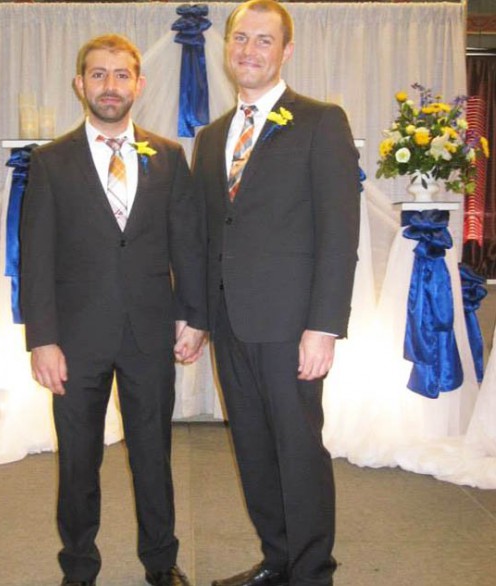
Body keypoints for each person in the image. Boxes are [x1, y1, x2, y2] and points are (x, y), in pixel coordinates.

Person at [20, 34, 207, 586]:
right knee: (78, 460)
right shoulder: (51, 161)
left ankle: (161, 562)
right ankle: (79, 565)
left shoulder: (168, 156)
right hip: (75, 339)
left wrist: (195, 316)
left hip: (150, 332)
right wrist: (42, 339)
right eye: (98, 74)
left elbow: (187, 243)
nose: (110, 85)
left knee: (153, 455)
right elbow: (35, 256)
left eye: (121, 75)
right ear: (80, 84)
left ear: (138, 85)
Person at [192, 2, 360, 585]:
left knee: (298, 450)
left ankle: (312, 572)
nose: (249, 50)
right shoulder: (211, 137)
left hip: (292, 325)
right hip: (230, 321)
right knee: (253, 448)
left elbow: (339, 231)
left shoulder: (320, 121)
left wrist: (324, 326)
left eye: (264, 40)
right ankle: (278, 560)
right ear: (226, 47)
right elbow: (208, 235)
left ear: (286, 51)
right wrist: (197, 316)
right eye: (240, 38)